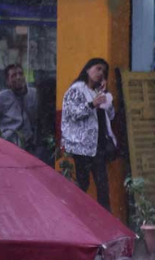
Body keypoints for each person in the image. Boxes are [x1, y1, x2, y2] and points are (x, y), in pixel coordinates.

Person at [60, 58, 119, 212]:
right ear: (87, 69)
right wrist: (92, 104)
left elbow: (111, 116)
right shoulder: (77, 89)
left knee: (103, 187)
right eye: (98, 69)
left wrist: (106, 98)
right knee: (83, 184)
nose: (101, 73)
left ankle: (105, 220)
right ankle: (75, 214)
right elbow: (72, 113)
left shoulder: (97, 91)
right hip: (82, 147)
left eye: (104, 71)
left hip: (97, 146)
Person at [0, 64, 40, 156]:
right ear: (7, 81)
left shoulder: (33, 94)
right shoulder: (1, 97)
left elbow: (37, 119)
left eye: (20, 74)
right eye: (13, 75)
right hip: (9, 146)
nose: (18, 77)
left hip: (29, 147)